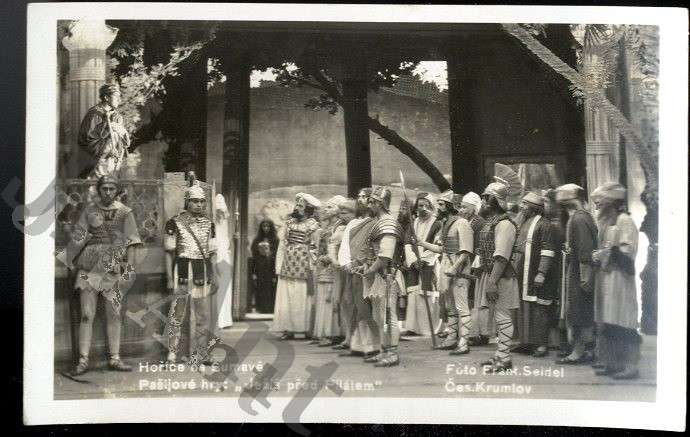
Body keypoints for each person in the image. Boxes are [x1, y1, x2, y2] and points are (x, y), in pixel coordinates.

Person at [71, 174, 142, 375]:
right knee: (86, 314)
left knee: (114, 314)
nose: (108, 192)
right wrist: (72, 249)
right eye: (104, 189)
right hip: (88, 267)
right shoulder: (90, 211)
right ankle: (83, 359)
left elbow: (133, 242)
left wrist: (130, 270)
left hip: (112, 268)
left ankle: (114, 358)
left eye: (112, 189)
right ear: (99, 190)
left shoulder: (125, 212)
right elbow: (78, 239)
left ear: (116, 191)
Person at [164, 181, 219, 364]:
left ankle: (203, 353)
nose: (199, 205)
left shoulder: (209, 224)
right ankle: (172, 353)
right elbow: (169, 252)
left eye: (202, 201)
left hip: (201, 271)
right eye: (195, 201)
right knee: (177, 313)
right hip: (181, 269)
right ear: (187, 201)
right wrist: (169, 278)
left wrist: (215, 276)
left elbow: (212, 253)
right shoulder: (174, 222)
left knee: (202, 315)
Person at [591, 182, 641, 379]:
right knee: (610, 322)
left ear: (611, 203)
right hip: (607, 279)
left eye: (600, 203)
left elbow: (627, 250)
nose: (597, 207)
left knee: (624, 322)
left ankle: (630, 366)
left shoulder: (624, 220)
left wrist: (603, 254)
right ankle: (613, 363)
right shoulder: (609, 222)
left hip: (620, 280)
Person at [415, 190, 474, 355]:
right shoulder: (446, 224)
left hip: (459, 268)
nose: (438, 207)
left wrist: (455, 268)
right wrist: (421, 243)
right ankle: (451, 339)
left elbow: (466, 251)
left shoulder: (462, 223)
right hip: (446, 264)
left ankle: (464, 343)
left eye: (441, 204)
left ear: (450, 206)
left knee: (462, 306)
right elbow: (441, 249)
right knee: (450, 306)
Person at [475, 179, 520, 371]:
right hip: (493, 274)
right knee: (498, 317)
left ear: (494, 201)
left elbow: (501, 256)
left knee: (503, 316)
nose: (483, 202)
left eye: (486, 198)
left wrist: (492, 281)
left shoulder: (504, 225)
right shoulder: (492, 222)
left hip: (501, 276)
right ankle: (501, 355)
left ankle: (504, 359)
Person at [357, 186, 405, 367]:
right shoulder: (378, 222)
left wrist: (370, 270)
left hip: (387, 275)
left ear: (380, 204)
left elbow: (385, 255)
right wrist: (365, 267)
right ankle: (384, 350)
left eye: (372, 202)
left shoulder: (388, 224)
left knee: (388, 315)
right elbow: (373, 252)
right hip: (377, 275)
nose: (369, 205)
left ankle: (392, 353)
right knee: (379, 316)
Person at [511, 192, 559, 358]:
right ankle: (526, 342)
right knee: (524, 308)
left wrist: (541, 272)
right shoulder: (523, 223)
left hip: (535, 274)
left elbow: (548, 250)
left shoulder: (544, 225)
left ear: (534, 207)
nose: (521, 206)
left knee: (539, 311)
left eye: (525, 204)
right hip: (522, 273)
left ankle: (541, 345)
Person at [555, 183, 598, 365]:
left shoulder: (579, 219)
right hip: (577, 269)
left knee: (578, 310)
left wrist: (584, 278)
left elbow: (585, 251)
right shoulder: (581, 217)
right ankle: (586, 349)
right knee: (580, 310)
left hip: (579, 271)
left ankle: (579, 351)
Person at [336, 188, 380, 361]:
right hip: (352, 270)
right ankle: (357, 345)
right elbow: (345, 245)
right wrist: (346, 263)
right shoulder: (354, 223)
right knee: (354, 306)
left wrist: (365, 264)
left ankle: (373, 346)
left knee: (367, 308)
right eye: (359, 196)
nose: (360, 199)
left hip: (367, 270)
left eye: (364, 197)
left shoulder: (377, 222)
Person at [273, 193, 322, 340]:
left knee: (303, 296)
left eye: (300, 206)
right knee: (287, 296)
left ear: (308, 209)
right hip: (288, 264)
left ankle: (306, 328)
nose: (296, 208)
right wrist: (279, 265)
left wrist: (312, 263)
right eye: (297, 205)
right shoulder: (289, 223)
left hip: (305, 266)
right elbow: (282, 244)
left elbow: (318, 247)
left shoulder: (314, 226)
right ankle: (288, 329)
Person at [403, 192, 442, 337]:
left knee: (428, 295)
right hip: (414, 264)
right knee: (414, 294)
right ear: (416, 207)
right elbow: (407, 243)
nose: (423, 208)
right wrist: (413, 260)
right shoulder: (413, 223)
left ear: (431, 207)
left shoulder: (437, 224)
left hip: (429, 263)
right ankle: (413, 327)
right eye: (420, 206)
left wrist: (424, 259)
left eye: (427, 205)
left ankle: (428, 329)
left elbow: (437, 246)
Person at [459, 192, 493, 347]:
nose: (461, 210)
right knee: (471, 299)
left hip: (476, 266)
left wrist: (476, 266)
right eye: (461, 207)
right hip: (468, 265)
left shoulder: (479, 223)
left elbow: (480, 247)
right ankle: (471, 332)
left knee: (477, 300)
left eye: (465, 207)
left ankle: (479, 333)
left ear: (474, 208)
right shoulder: (468, 222)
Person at [312, 195, 347, 347]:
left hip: (333, 267)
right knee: (324, 297)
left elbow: (340, 247)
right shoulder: (328, 227)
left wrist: (327, 257)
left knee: (331, 298)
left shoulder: (341, 227)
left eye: (330, 207)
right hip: (323, 267)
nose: (326, 210)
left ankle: (333, 333)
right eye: (326, 207)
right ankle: (324, 333)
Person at [78, 83, 131, 179]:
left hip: (113, 164)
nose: (119, 100)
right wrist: (108, 151)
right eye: (116, 96)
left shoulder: (117, 117)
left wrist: (123, 132)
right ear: (106, 97)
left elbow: (124, 143)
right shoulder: (94, 114)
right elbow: (86, 141)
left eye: (119, 97)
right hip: (98, 166)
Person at [542, 188, 567, 354]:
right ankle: (553, 339)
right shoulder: (552, 224)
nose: (543, 204)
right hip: (554, 269)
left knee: (556, 302)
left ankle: (557, 340)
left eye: (546, 201)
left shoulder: (556, 225)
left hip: (557, 268)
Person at [250, 219, 280, 313]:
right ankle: (261, 308)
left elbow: (278, 253)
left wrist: (270, 254)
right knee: (260, 287)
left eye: (268, 226)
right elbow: (254, 253)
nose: (266, 228)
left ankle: (271, 308)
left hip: (271, 267)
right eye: (264, 226)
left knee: (271, 287)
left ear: (271, 227)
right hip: (260, 267)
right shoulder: (257, 239)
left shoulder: (276, 240)